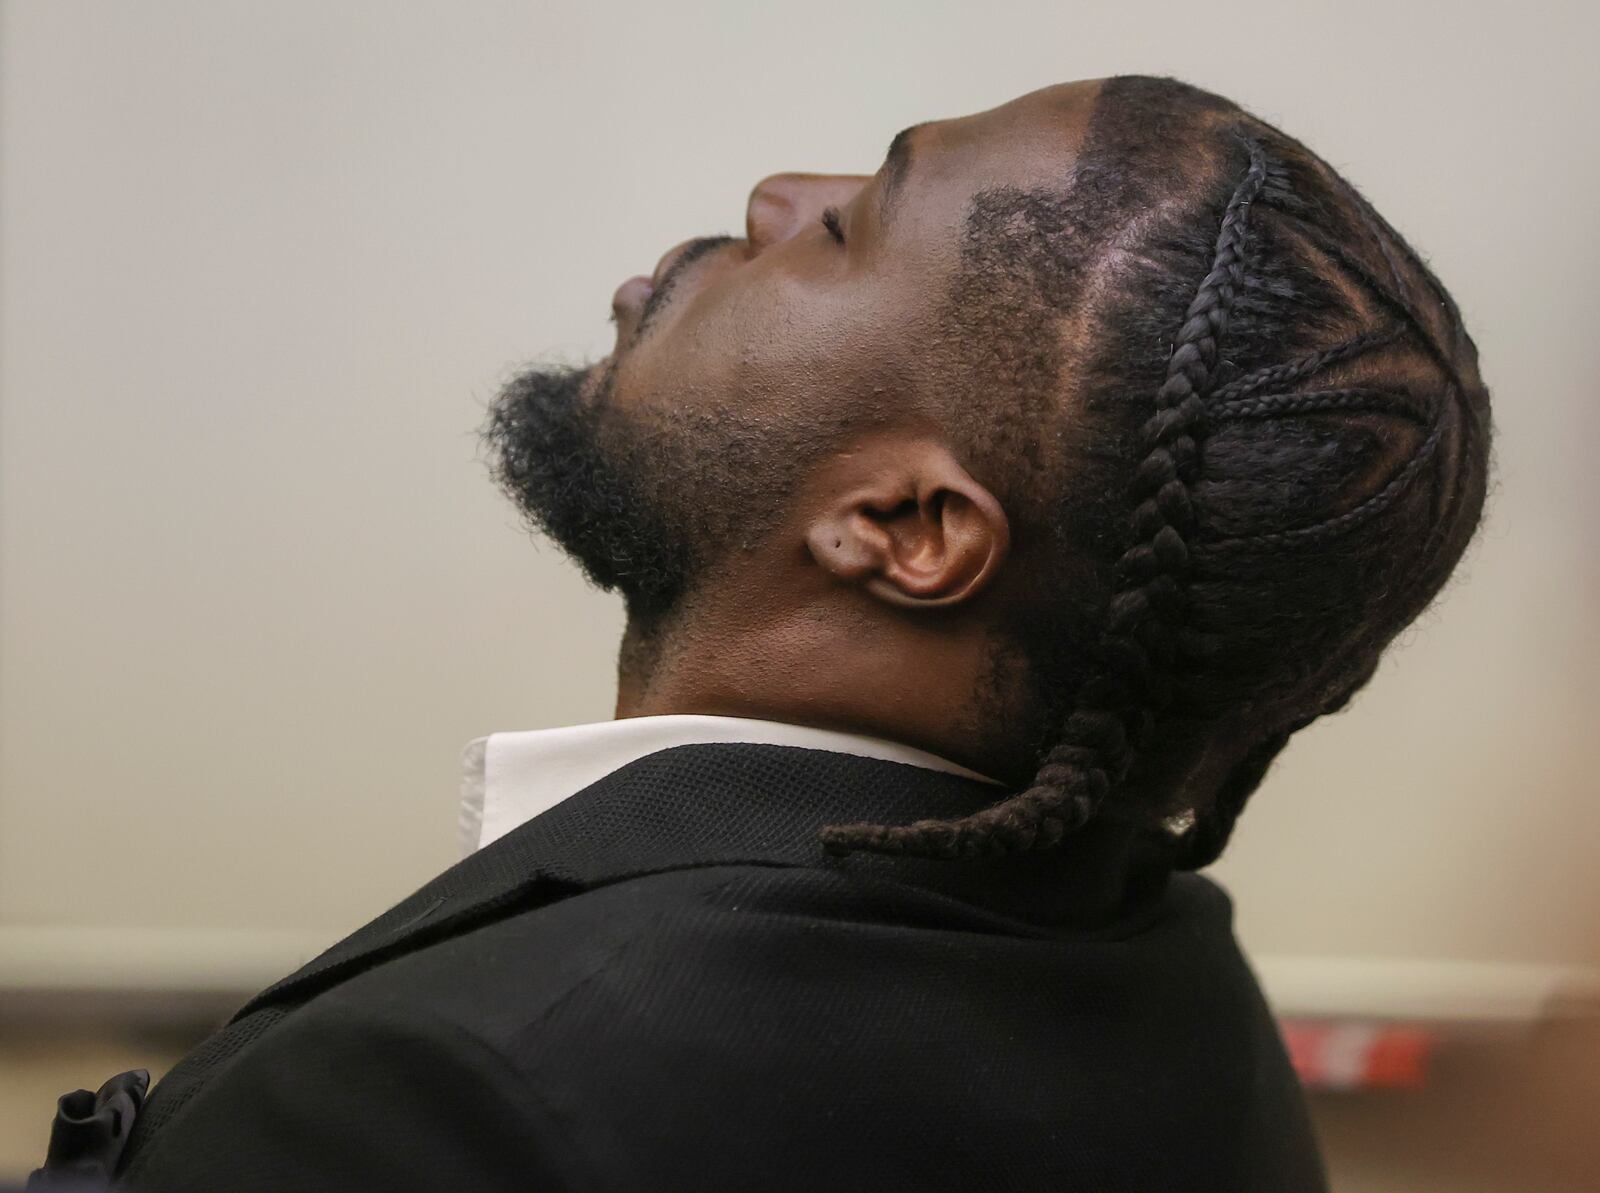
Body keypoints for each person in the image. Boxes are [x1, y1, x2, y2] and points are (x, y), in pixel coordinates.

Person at [78, 75, 1489, 1191]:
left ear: (905, 529)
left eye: (846, 227)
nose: (769, 198)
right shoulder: (1189, 1003)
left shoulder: (445, 1092)